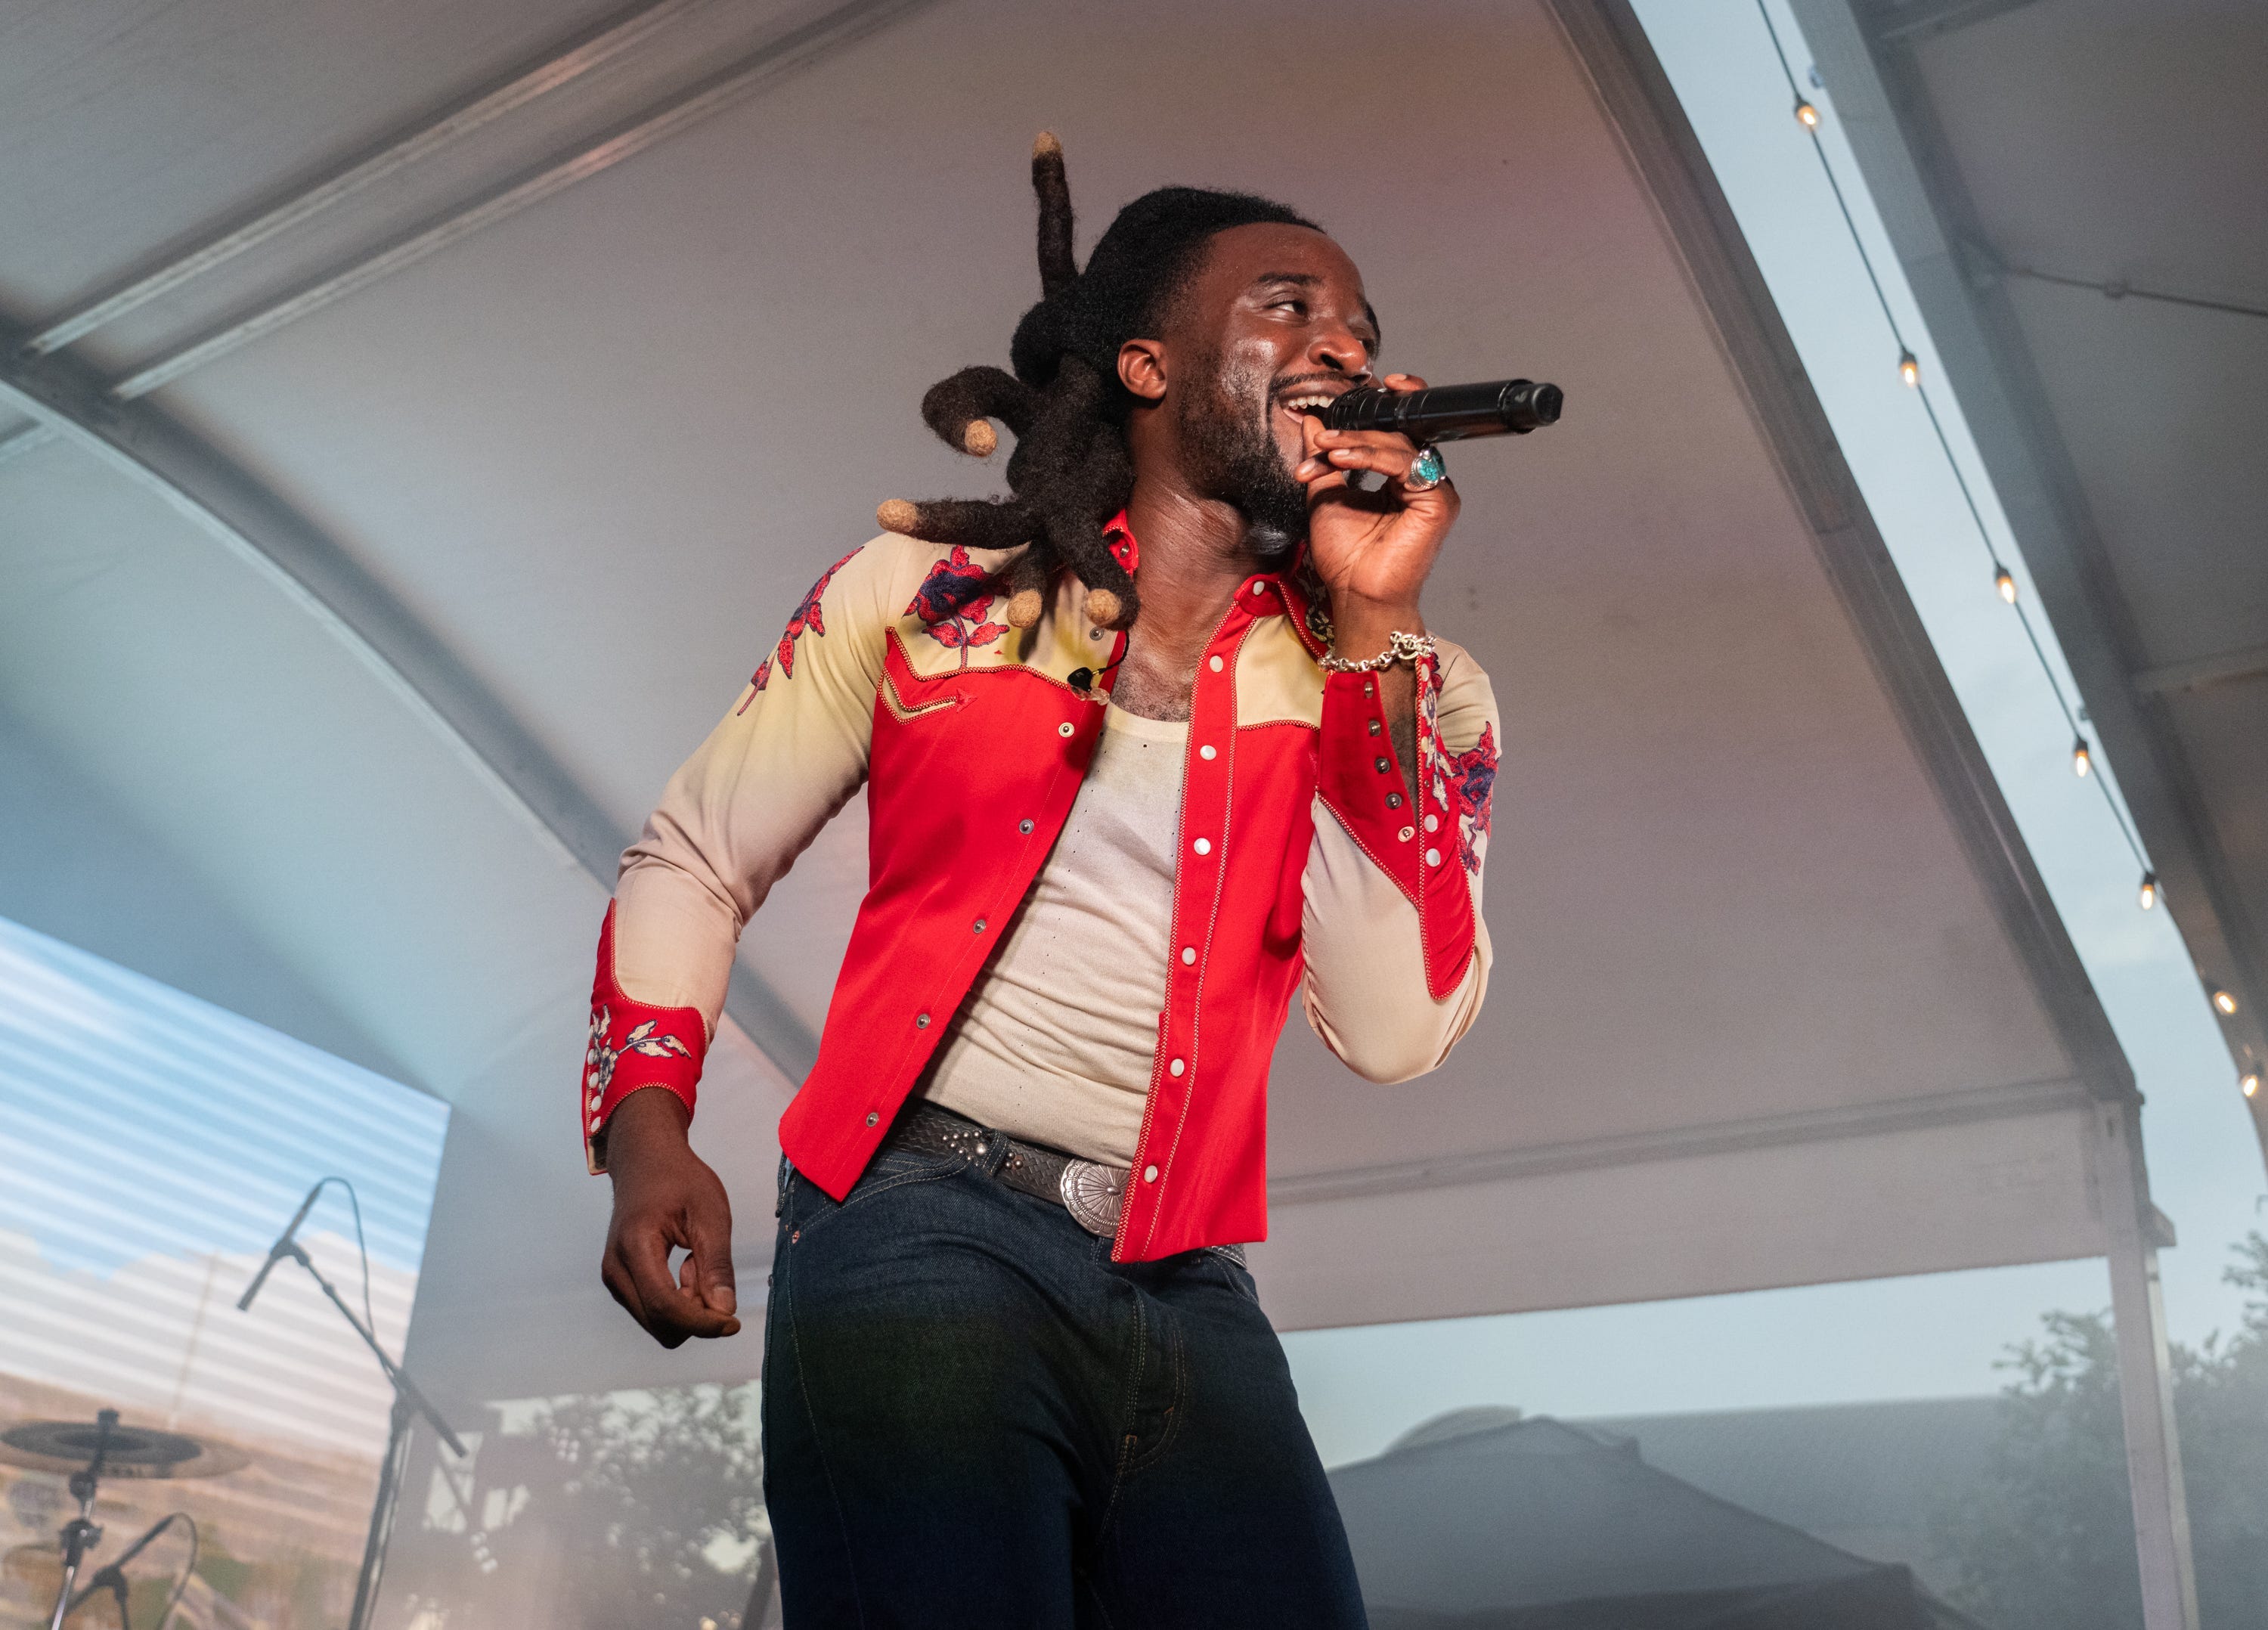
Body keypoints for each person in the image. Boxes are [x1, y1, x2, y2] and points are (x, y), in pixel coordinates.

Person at [581, 135, 1499, 1628]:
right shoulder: (931, 598)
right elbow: (695, 853)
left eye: (1365, 335)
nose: (1342, 346)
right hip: (919, 1224)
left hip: (1189, 1281)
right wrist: (645, 1128)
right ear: (1151, 365)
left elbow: (1397, 1027)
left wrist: (1369, 631)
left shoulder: (1410, 683)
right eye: (1287, 309)